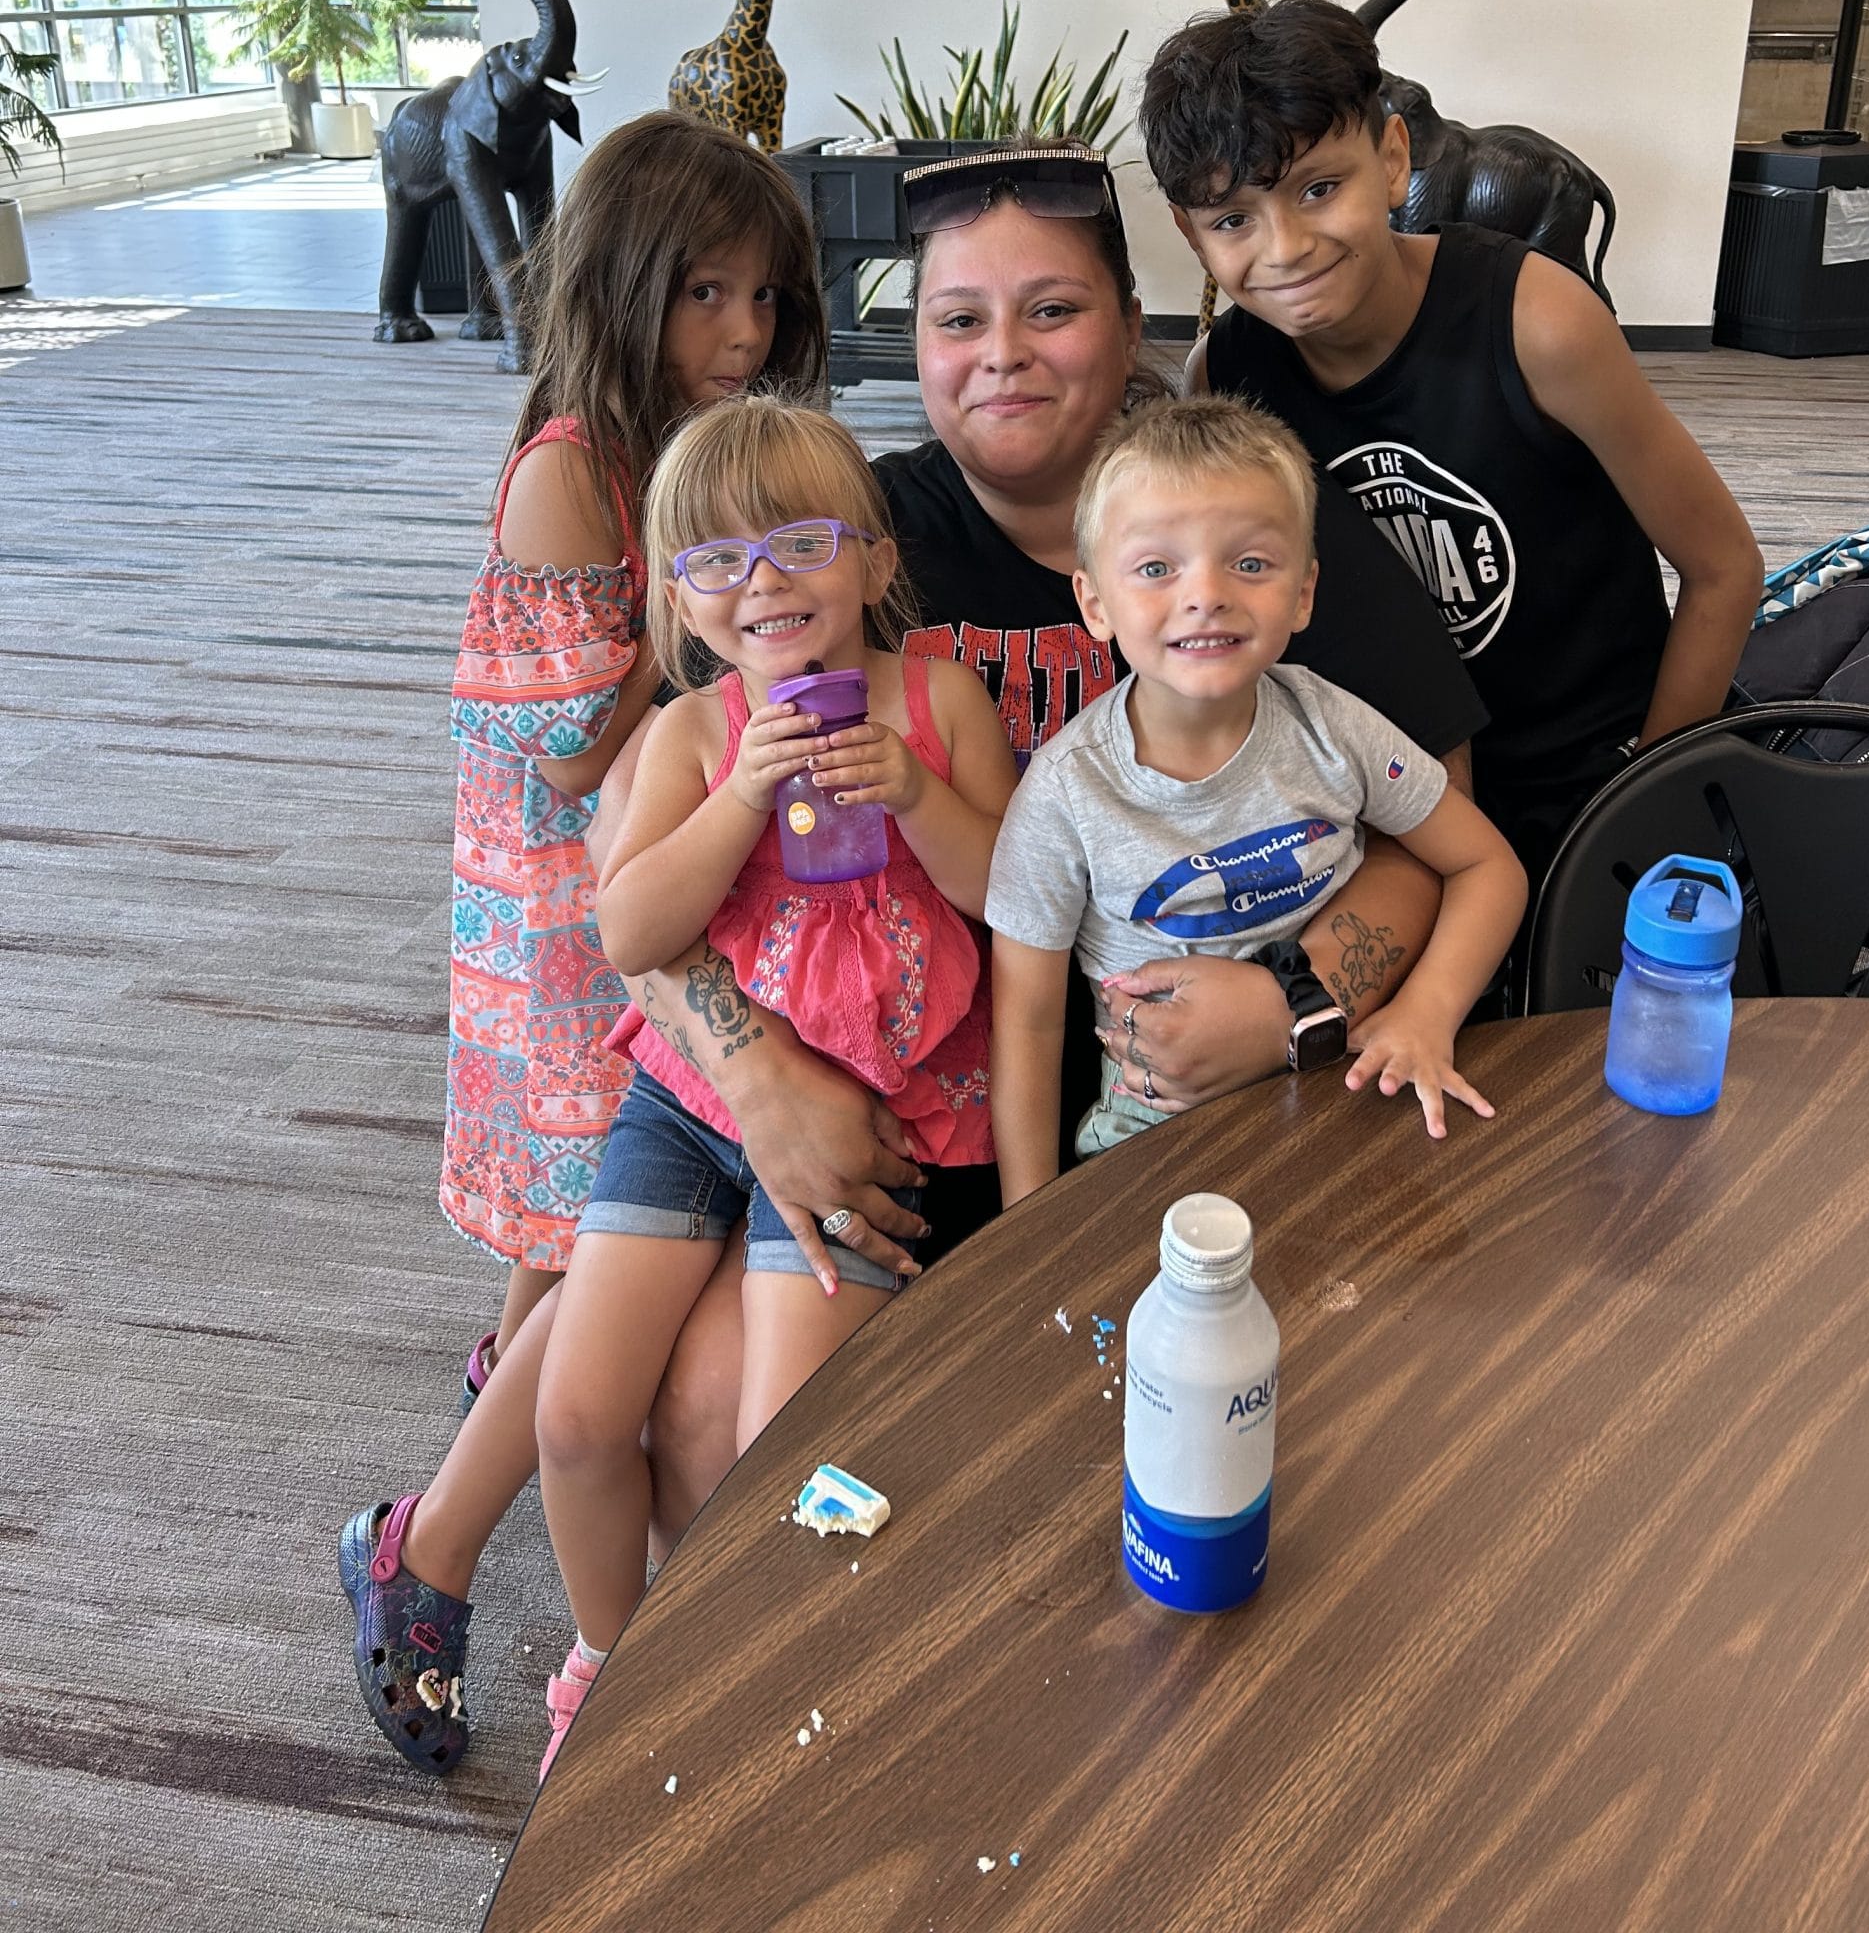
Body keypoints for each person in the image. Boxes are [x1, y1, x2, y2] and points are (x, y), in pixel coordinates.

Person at [341, 140, 1484, 1782]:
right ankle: (669, 1675)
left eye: (1051, 309)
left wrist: (1297, 999)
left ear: (1132, 324)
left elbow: (1445, 837)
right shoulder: (837, 536)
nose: (1002, 354)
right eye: (958, 318)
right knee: (678, 1413)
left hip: (1174, 1110)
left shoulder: (1238, 515)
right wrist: (757, 1077)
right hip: (875, 1098)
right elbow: (630, 900)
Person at [338, 114, 827, 1775]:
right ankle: (424, 1549)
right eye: (704, 294)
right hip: (570, 923)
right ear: (626, 285)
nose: (743, 333)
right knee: (588, 1226)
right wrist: (711, 632)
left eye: (764, 297)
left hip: (664, 873)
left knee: (569, 1246)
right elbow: (566, 757)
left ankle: (484, 1441)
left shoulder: (695, 442)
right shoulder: (574, 470)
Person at [533, 397, 1015, 1776]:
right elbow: (631, 931)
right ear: (683, 600)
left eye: (801, 543)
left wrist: (916, 793)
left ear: (874, 561)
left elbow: (1012, 900)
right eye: (718, 560)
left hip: (882, 1113)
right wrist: (741, 791)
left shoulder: (940, 702)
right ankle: (606, 1661)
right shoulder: (693, 734)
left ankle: (781, 1677)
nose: (763, 582)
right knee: (576, 1415)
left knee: (781, 1444)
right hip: (692, 1109)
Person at [1141, 0, 1764, 897]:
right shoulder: (1225, 377)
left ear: (1394, 159)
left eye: (1319, 188)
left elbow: (1724, 567)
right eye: (1233, 219)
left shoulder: (1538, 323)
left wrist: (1643, 802)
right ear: (1188, 231)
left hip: (1589, 776)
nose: (1287, 248)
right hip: (1379, 804)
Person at [989, 396, 1527, 1198]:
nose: (1206, 593)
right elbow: (1027, 1025)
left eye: (1249, 563)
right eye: (1156, 568)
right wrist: (1027, 1226)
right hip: (1152, 1155)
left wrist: (1428, 1012)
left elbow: (1488, 866)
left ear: (1303, 593)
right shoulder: (1065, 792)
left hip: (1344, 1106)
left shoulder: (1334, 726)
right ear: (1095, 603)